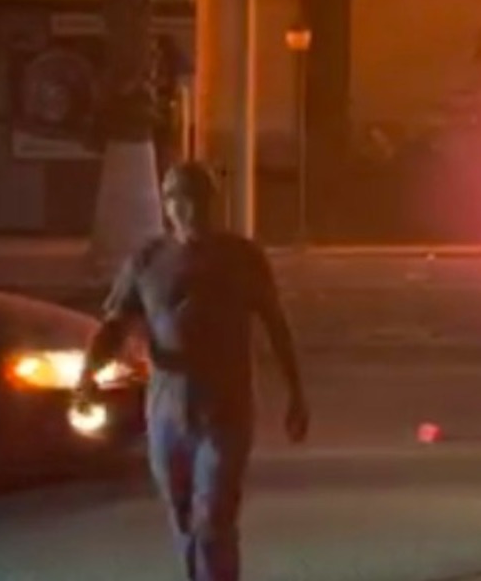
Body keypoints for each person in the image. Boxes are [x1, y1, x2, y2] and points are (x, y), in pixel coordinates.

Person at [76, 160, 309, 581]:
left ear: (213, 204)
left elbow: (276, 324)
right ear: (167, 205)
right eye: (178, 199)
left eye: (198, 199)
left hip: (226, 411)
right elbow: (114, 325)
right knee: (182, 514)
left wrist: (296, 394)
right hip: (167, 412)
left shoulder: (242, 257)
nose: (189, 209)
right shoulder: (148, 260)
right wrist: (87, 380)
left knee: (214, 516)